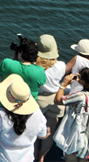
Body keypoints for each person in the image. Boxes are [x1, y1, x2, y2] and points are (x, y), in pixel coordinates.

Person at [0, 74, 48, 162]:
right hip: (26, 159)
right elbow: (43, 135)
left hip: (1, 158)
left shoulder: (0, 114)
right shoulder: (38, 113)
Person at [53, 69, 89, 162]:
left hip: (76, 136)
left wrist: (64, 84)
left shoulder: (80, 96)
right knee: (83, 160)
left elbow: (58, 100)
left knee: (70, 159)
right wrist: (80, 79)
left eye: (81, 77)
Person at [34, 34, 67, 162]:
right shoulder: (61, 65)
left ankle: (35, 153)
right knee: (49, 130)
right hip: (55, 99)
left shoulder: (35, 67)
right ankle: (42, 156)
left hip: (38, 99)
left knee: (35, 129)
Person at [0, 35, 46, 103]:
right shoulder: (40, 71)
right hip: (28, 105)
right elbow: (42, 82)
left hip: (3, 102)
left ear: (21, 52)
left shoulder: (7, 63)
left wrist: (15, 55)